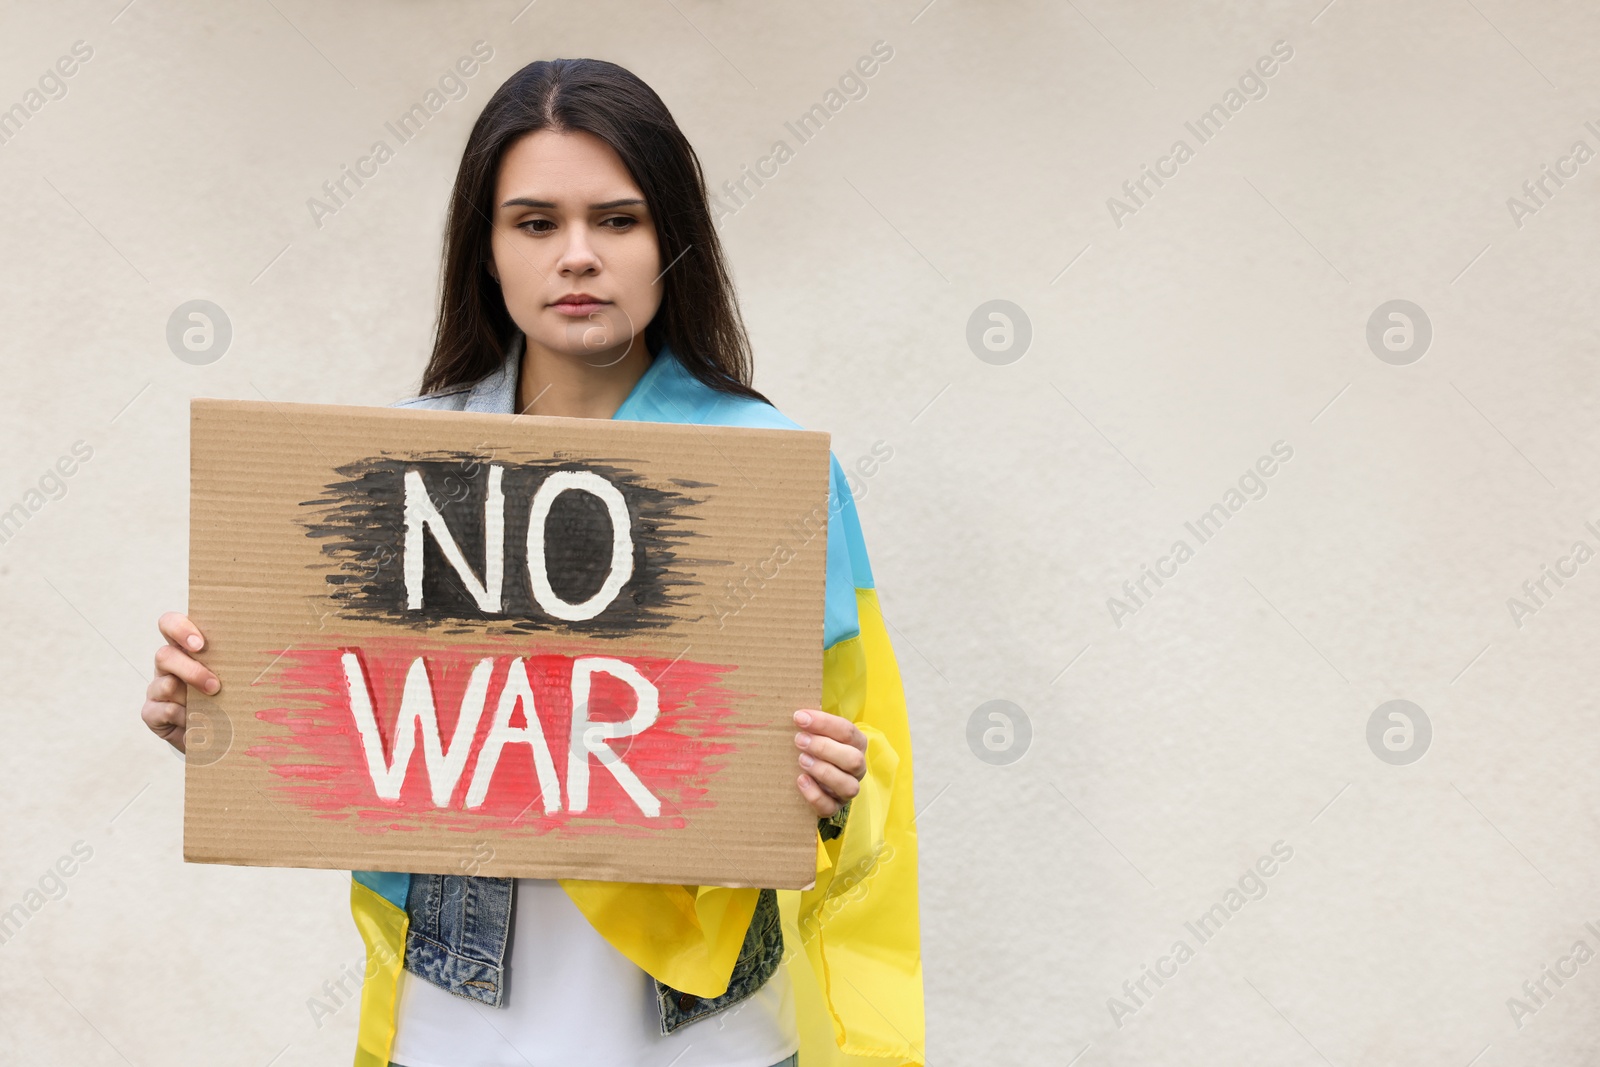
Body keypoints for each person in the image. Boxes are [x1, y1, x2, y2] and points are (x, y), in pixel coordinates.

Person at [140, 58, 923, 1067]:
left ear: (669, 240)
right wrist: (213, 711)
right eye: (536, 222)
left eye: (618, 219)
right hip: (455, 1024)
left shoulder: (771, 472)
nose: (579, 257)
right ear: (487, 250)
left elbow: (873, 769)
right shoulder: (394, 472)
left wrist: (837, 789)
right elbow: (354, 724)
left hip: (710, 1035)